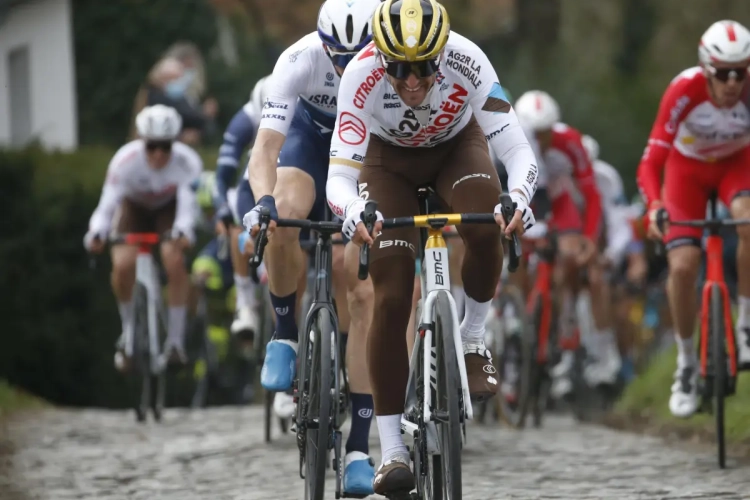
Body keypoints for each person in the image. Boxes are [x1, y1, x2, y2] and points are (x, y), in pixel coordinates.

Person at [325, 0, 538, 493]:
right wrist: (355, 211)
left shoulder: (469, 60)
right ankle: (392, 450)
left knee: (487, 228)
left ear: (441, 56)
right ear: (382, 60)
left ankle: (471, 339)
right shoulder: (358, 76)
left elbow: (517, 149)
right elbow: (338, 177)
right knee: (393, 293)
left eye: (423, 67)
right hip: (386, 165)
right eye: (399, 68)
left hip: (455, 150)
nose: (412, 80)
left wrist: (519, 199)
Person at [242, 0, 381, 494]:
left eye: (356, 54)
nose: (345, 66)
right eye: (335, 55)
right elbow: (265, 148)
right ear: (321, 43)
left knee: (357, 280)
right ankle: (284, 333)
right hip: (310, 139)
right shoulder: (297, 59)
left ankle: (361, 447)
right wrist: (262, 201)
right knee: (283, 213)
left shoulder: (390, 62)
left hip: (367, 147)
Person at [637, 20, 750, 418]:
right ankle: (686, 363)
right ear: (706, 68)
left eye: (742, 71)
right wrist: (654, 206)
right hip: (687, 172)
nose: (733, 82)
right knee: (683, 266)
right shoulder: (684, 90)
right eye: (723, 73)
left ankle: (746, 325)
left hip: (737, 166)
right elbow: (652, 161)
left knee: (746, 219)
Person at [514, 90, 619, 395]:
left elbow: (591, 194)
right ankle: (515, 310)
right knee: (512, 252)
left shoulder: (570, 142)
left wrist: (587, 238)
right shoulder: (507, 137)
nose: (541, 141)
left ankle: (565, 333)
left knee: (570, 258)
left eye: (546, 133)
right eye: (534, 134)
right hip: (522, 199)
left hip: (558, 204)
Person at [84, 105, 203, 367]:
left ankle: (174, 342)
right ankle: (128, 332)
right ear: (141, 141)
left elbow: (187, 207)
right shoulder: (124, 161)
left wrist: (183, 232)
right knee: (123, 264)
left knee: (174, 258)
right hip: (133, 209)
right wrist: (97, 234)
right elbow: (107, 206)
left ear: (175, 143)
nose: (159, 154)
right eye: (151, 146)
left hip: (168, 209)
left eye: (165, 146)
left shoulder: (188, 162)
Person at [216, 76, 272, 339]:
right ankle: (245, 302)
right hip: (250, 181)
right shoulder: (245, 119)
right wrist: (222, 208)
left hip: (287, 176)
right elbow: (224, 175)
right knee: (238, 224)